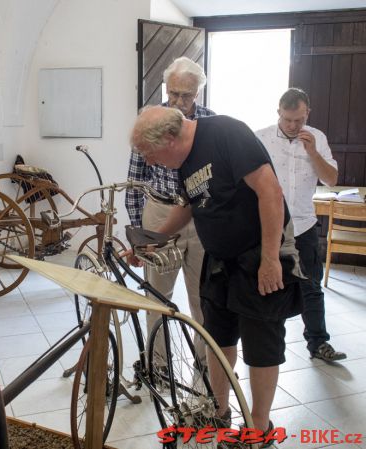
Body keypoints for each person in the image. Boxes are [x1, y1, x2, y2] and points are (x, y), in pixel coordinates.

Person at [130, 106, 303, 439]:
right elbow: (190, 204)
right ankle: (218, 412)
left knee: (261, 344)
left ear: (170, 137)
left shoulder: (227, 134)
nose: (150, 162)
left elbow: (270, 192)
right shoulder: (184, 160)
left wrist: (269, 259)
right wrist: (155, 240)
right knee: (217, 337)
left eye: (150, 154)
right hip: (221, 259)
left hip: (258, 253)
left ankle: (259, 427)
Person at [125, 57, 215, 363]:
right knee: (158, 296)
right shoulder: (151, 122)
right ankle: (158, 364)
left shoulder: (209, 123)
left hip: (201, 218)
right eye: (173, 92)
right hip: (161, 213)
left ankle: (205, 364)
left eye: (185, 95)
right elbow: (136, 183)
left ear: (198, 93)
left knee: (204, 297)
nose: (177, 101)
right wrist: (140, 237)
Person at [255, 88, 346, 363]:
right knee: (269, 286)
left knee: (311, 286)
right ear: (278, 113)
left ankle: (318, 344)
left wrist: (313, 153)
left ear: (307, 113)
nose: (293, 126)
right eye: (287, 120)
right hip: (269, 228)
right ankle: (266, 345)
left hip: (304, 226)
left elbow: (331, 180)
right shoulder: (261, 138)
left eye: (299, 120)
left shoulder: (317, 138)